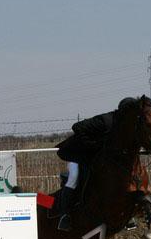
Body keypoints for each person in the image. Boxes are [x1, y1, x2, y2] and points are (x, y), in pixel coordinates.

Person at [55, 97, 136, 230]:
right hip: (77, 152)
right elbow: (77, 127)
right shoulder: (105, 120)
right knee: (74, 178)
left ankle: (125, 214)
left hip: (94, 155)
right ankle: (64, 215)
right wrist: (92, 144)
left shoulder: (123, 126)